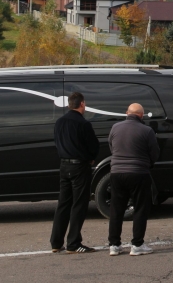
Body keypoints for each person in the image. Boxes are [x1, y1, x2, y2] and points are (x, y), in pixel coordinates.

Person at [107, 103, 160, 256]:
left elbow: (111, 146)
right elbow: (154, 153)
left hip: (116, 172)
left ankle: (114, 245)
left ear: (127, 113)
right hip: (138, 172)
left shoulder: (115, 128)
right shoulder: (147, 131)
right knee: (140, 208)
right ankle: (137, 244)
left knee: (116, 209)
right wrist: (147, 163)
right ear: (141, 115)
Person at [50, 92, 100, 254]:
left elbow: (57, 143)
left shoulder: (59, 122)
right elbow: (93, 145)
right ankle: (73, 242)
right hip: (80, 166)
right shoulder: (83, 124)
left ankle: (56, 242)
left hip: (64, 165)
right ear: (82, 104)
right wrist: (91, 158)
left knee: (63, 203)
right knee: (79, 204)